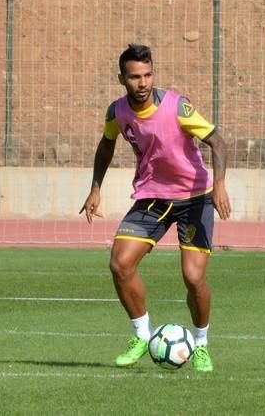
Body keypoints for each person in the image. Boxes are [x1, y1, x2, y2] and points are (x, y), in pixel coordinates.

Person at [80, 44, 231, 372]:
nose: (143, 83)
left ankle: (201, 345)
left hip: (194, 197)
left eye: (148, 75)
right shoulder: (117, 112)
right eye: (135, 77)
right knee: (120, 264)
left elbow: (218, 142)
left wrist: (219, 185)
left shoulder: (177, 107)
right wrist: (95, 189)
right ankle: (140, 335)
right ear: (122, 78)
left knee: (192, 277)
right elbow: (107, 144)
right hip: (152, 197)